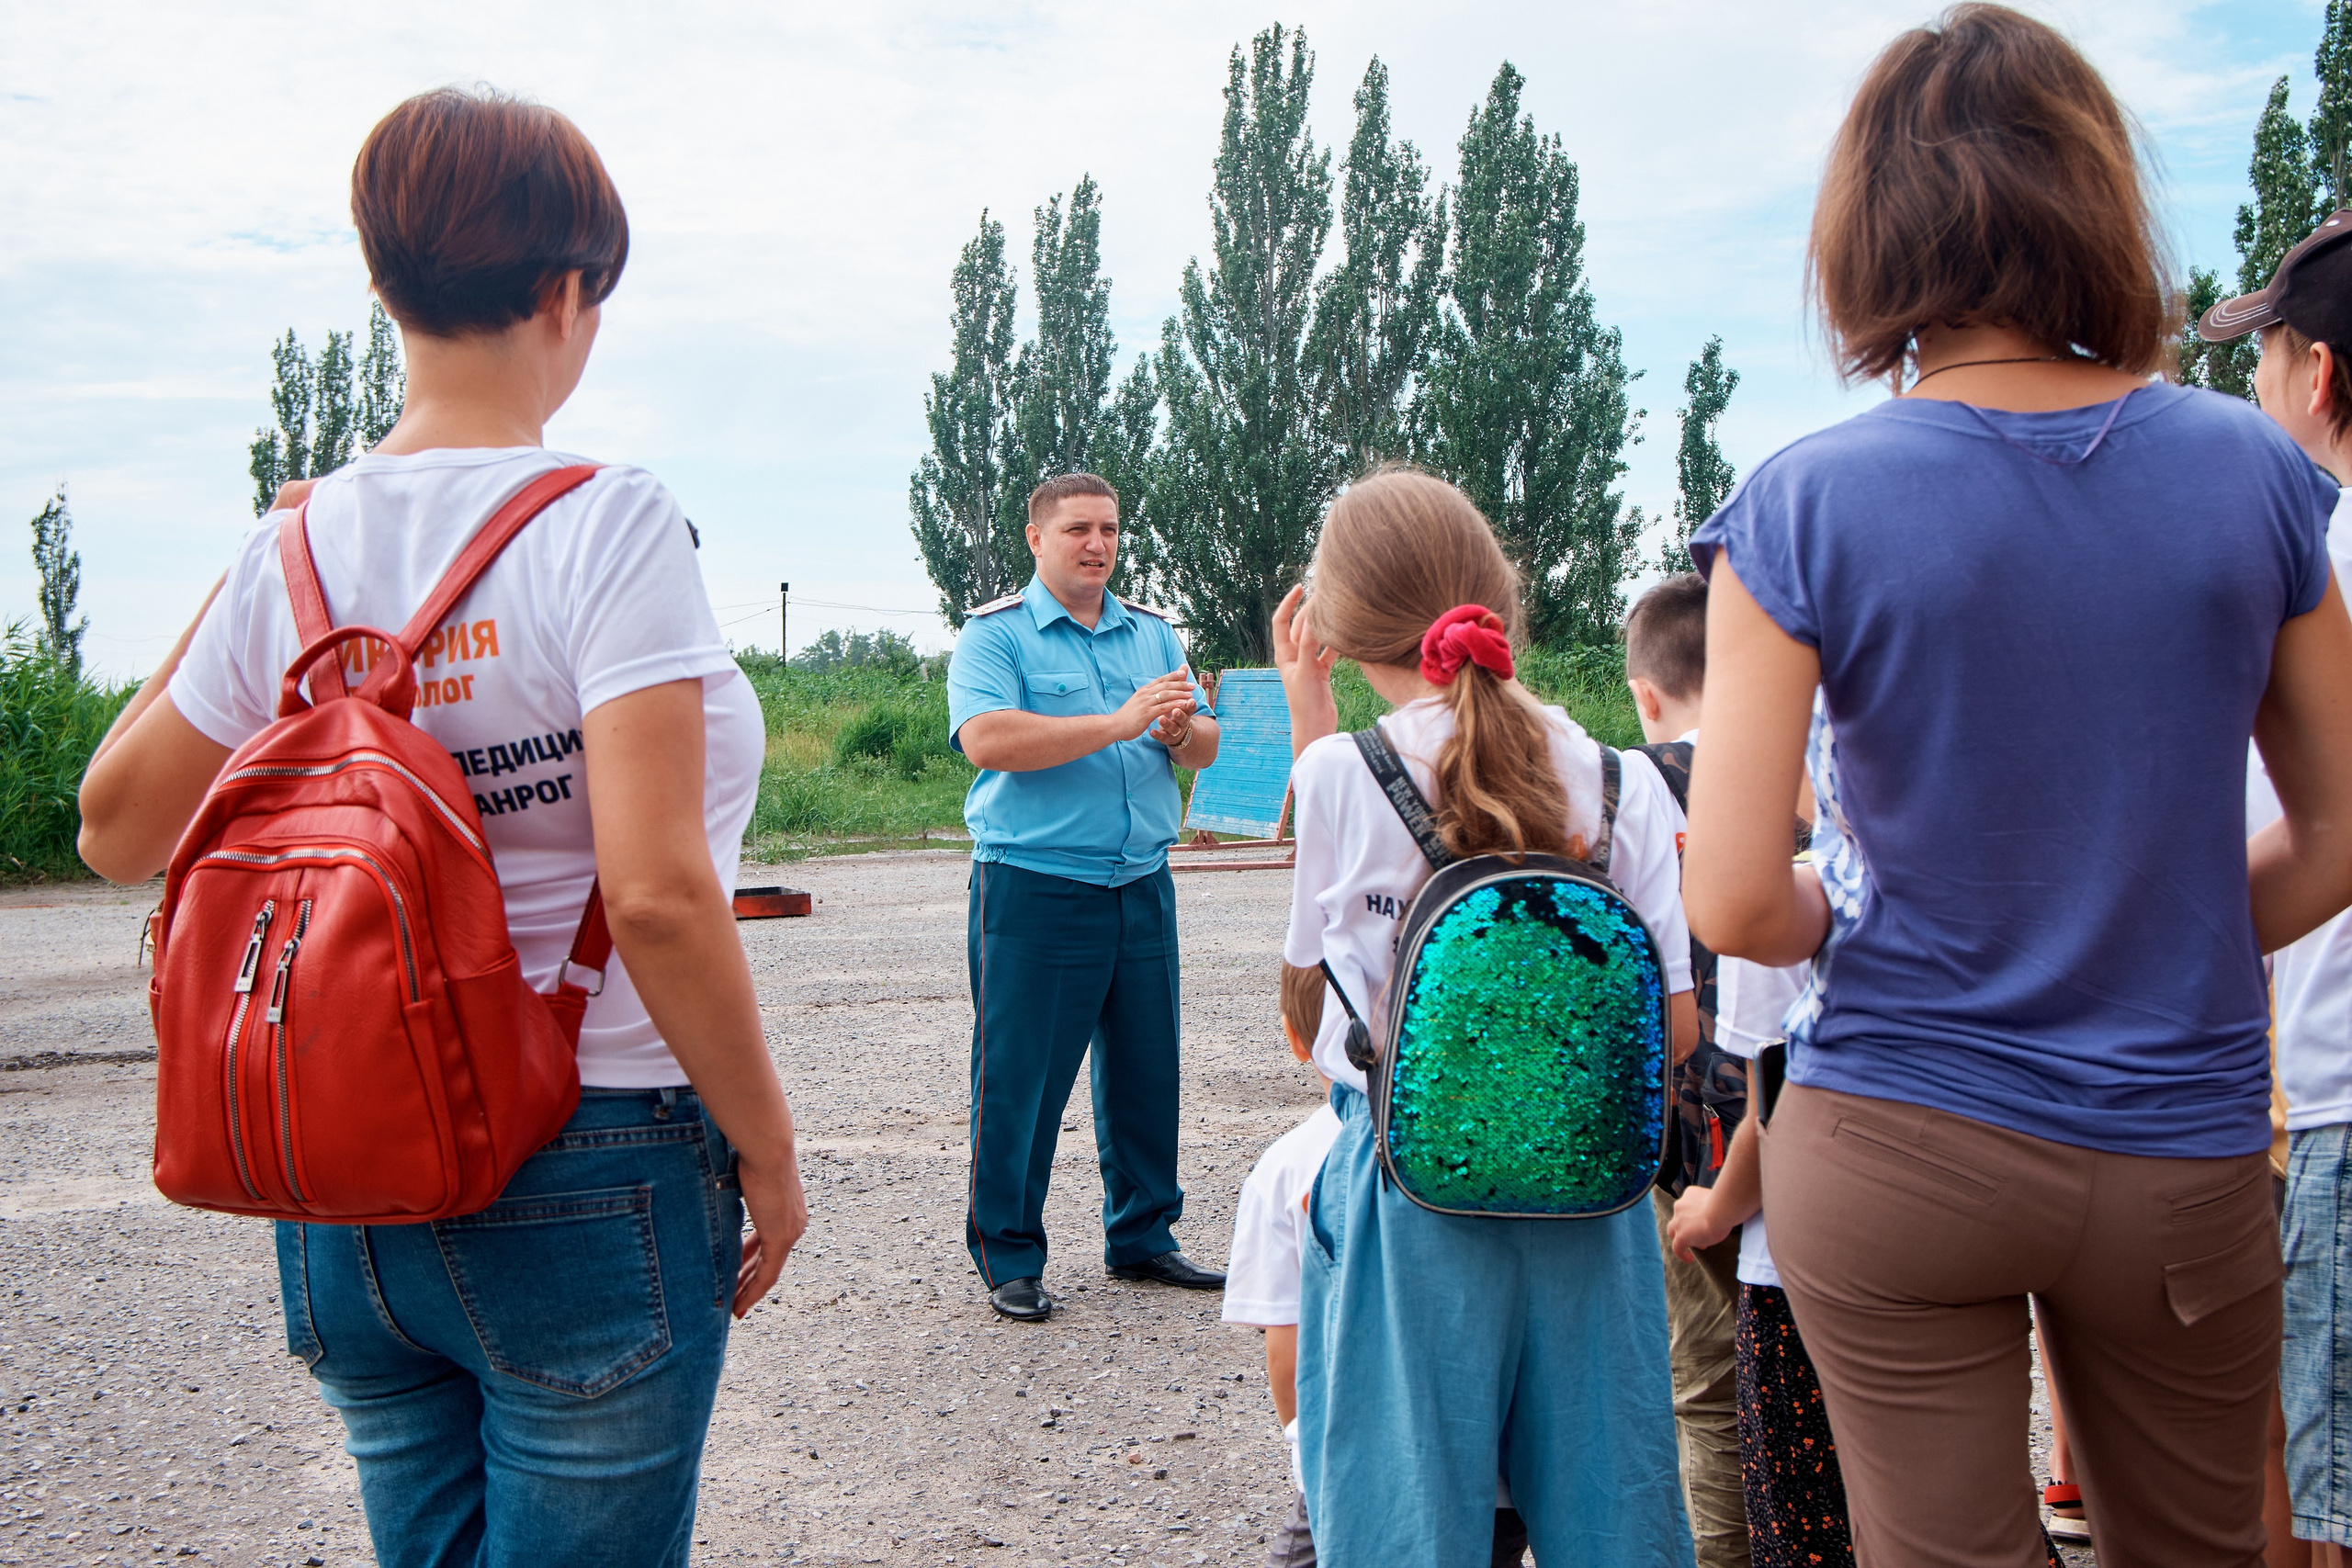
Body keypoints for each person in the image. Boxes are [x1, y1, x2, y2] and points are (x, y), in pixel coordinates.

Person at [74, 87, 807, 1567]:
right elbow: (658, 894)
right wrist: (771, 1150)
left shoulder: (291, 541)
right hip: (589, 1154)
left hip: (344, 1173)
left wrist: (251, 575)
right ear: (564, 291)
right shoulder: (606, 521)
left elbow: (113, 825)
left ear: (385, 285)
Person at [1677, 6, 2352, 1564]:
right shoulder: (2257, 478)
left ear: (1868, 231)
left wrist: (1855, 917)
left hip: (1897, 1130)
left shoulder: (1801, 504)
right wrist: (2169, 924)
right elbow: (2335, 834)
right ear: (2100, 199)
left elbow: (1731, 895)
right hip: (2174, 1138)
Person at [1272, 466, 1700, 1567]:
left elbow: (1305, 1015)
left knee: (1406, 1519)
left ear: (1334, 623)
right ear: (1496, 595)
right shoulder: (1622, 780)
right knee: (1616, 1515)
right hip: (1592, 1199)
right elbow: (1677, 1034)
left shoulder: (1333, 774)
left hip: (1407, 1197)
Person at [946, 474, 1226, 1322]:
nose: (1096, 545)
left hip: (1139, 881)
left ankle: (1143, 1236)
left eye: (1108, 528)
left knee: (1148, 1070)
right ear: (1036, 539)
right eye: (1077, 530)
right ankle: (1010, 1252)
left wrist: (1181, 731)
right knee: (1021, 1076)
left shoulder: (1152, 632)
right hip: (1034, 886)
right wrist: (1119, 719)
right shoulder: (996, 637)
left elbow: (1206, 743)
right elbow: (987, 738)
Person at [2208, 208, 2352, 1568]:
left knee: (2328, 1503)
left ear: (2320, 377)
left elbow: (2310, 831)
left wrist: (2157, 945)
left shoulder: (2319, 562)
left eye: (2263, 357)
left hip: (2342, 1093)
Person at [1233, 963, 1533, 1568]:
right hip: (1490, 1478)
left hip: (1347, 1468)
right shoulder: (1494, 1151)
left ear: (1297, 1039)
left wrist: (1305, 1442)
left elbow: (1285, 1346)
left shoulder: (1285, 1167)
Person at [1625, 571, 1751, 1568]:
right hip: (1830, 1120)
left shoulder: (1626, 788)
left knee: (1706, 1383)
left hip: (1690, 1143)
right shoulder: (1812, 775)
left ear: (1646, 691)